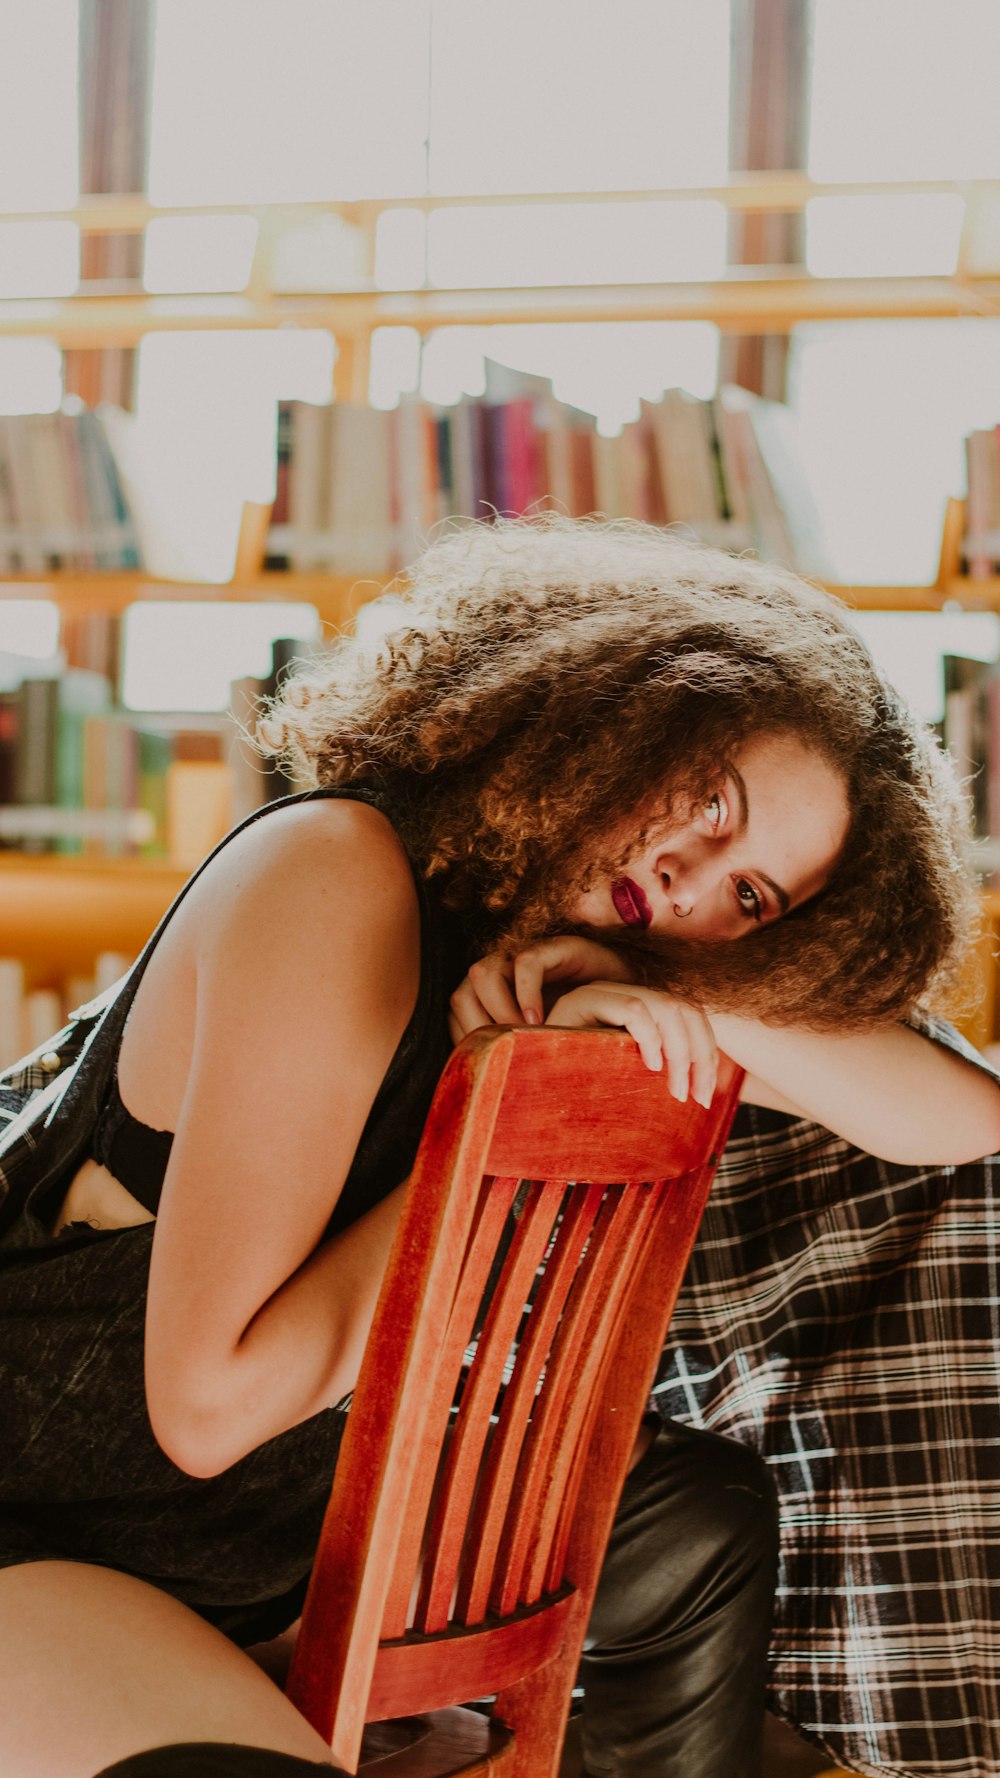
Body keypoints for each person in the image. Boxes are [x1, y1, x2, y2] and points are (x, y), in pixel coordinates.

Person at [0, 516, 997, 1778]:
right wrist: (499, 1120)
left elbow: (969, 1121)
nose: (690, 877)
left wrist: (689, 996)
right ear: (621, 709)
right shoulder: (333, 871)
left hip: (277, 1535)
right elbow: (208, 1409)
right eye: (707, 801)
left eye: (750, 897)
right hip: (56, 1526)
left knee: (697, 1520)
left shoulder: (589, 953)